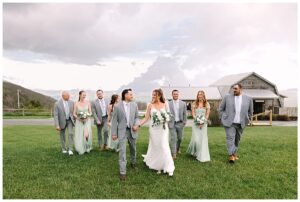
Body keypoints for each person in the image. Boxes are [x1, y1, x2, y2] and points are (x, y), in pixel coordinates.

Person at [140, 89, 175, 176]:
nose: (153, 96)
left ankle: (168, 166)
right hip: (153, 129)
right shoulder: (150, 105)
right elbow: (146, 118)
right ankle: (157, 165)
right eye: (152, 95)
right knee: (156, 146)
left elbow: (169, 115)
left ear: (159, 95)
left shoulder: (165, 103)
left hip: (163, 129)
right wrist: (138, 125)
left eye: (155, 95)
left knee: (163, 145)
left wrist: (165, 119)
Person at [219, 83, 253, 163]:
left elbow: (250, 111)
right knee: (230, 138)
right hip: (229, 123)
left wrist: (247, 119)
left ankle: (234, 154)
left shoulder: (248, 98)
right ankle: (231, 155)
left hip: (241, 123)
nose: (234, 90)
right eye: (233, 88)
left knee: (237, 140)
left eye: (235, 89)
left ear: (240, 89)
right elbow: (221, 109)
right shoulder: (227, 97)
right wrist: (223, 117)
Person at [111, 89, 140, 181]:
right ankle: (122, 172)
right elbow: (114, 120)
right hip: (122, 131)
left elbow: (136, 117)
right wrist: (114, 133)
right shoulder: (117, 106)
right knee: (122, 151)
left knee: (133, 148)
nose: (132, 95)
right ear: (125, 95)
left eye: (132, 94)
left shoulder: (134, 105)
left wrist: (136, 124)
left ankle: (133, 163)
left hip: (132, 130)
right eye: (130, 94)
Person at [186, 90, 211, 162]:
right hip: (196, 123)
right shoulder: (194, 103)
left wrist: (202, 122)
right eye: (198, 94)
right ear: (197, 96)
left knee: (202, 139)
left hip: (204, 124)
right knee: (196, 139)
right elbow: (193, 114)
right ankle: (196, 152)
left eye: (201, 94)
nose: (200, 96)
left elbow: (207, 114)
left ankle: (202, 154)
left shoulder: (207, 104)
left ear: (203, 95)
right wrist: (198, 121)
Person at [53, 91, 75, 155]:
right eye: (67, 96)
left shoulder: (72, 102)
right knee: (62, 135)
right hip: (61, 122)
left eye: (69, 95)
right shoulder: (57, 103)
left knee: (70, 133)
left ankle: (70, 149)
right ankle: (64, 149)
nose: (69, 97)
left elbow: (74, 112)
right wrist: (57, 125)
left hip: (70, 121)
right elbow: (56, 115)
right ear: (63, 96)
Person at [168, 89, 187, 159]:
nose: (175, 95)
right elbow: (167, 113)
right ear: (172, 95)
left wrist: (184, 122)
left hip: (180, 123)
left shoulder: (183, 103)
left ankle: (178, 149)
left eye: (176, 94)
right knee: (173, 138)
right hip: (172, 124)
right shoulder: (168, 103)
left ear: (178, 95)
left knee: (180, 138)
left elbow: (185, 113)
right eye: (174, 94)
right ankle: (174, 153)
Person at [73, 90, 93, 155]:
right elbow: (74, 113)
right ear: (80, 95)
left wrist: (87, 117)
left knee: (86, 135)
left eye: (85, 95)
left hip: (87, 121)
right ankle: (80, 148)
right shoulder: (76, 103)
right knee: (80, 135)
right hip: (79, 122)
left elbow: (90, 112)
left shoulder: (88, 103)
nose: (84, 96)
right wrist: (79, 118)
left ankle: (87, 147)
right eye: (83, 95)